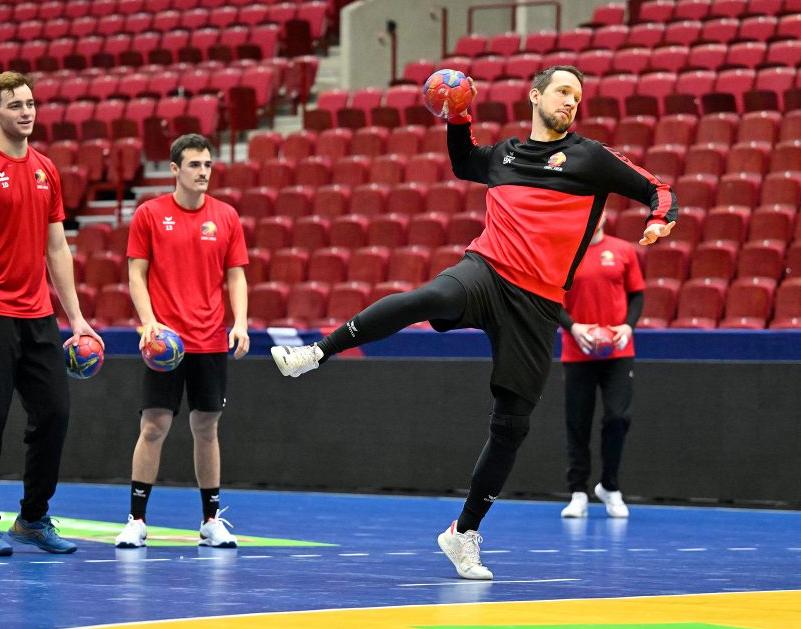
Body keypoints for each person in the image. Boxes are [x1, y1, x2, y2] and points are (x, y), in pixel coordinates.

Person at [270, 66, 676, 580]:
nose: (571, 101)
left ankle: (462, 534)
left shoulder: (589, 158)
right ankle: (316, 353)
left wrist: (659, 219)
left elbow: (657, 188)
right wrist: (458, 117)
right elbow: (464, 162)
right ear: (535, 97)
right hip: (486, 270)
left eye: (578, 95)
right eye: (562, 92)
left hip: (538, 302)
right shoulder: (505, 155)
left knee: (511, 427)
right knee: (428, 296)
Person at [0, 72, 101, 556]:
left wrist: (75, 318)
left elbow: (57, 247)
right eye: (15, 104)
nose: (26, 111)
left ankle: (33, 517)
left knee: (55, 412)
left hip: (39, 315)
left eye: (31, 103)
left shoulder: (45, 170)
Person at [114, 133, 249, 549]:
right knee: (154, 425)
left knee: (206, 428)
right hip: (165, 342)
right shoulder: (150, 214)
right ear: (175, 169)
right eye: (194, 165)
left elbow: (235, 276)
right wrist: (149, 323)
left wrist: (240, 322)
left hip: (210, 338)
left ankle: (211, 520)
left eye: (207, 165)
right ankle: (136, 519)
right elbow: (137, 273)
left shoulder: (226, 216)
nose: (203, 172)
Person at [559, 214, 644, 519]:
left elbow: (637, 295)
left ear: (605, 215)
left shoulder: (623, 250)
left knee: (618, 417)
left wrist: (628, 326)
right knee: (577, 423)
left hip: (618, 352)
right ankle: (578, 491)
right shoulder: (566, 252)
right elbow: (553, 298)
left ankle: (610, 486)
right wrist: (574, 327)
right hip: (578, 350)